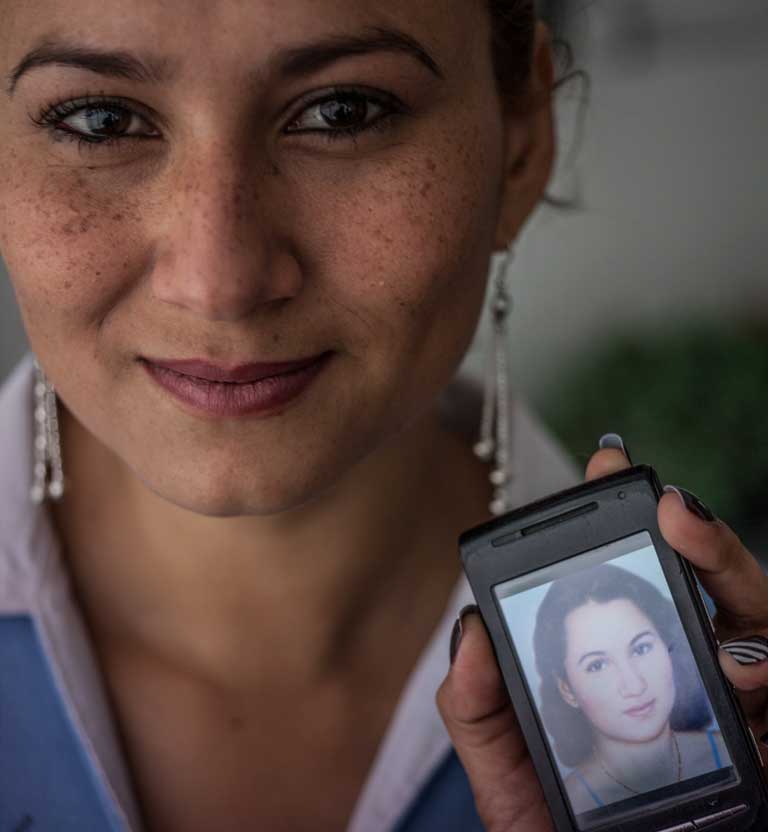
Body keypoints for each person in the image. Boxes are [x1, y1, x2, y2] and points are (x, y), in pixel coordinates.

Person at [1, 2, 767, 831]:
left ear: (521, 143)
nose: (220, 282)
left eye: (343, 111)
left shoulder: (709, 716)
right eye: (101, 120)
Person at [533, 563, 729, 815]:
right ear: (567, 690)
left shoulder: (734, 756)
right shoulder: (566, 810)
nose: (634, 685)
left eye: (641, 648)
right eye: (597, 665)